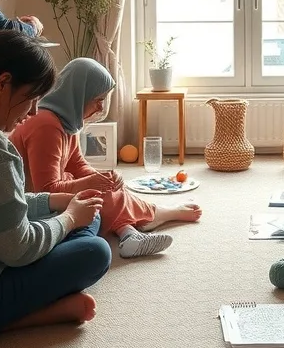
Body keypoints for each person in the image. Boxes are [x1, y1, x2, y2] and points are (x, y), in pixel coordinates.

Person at [0, 32, 111, 345]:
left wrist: (53, 201)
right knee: (94, 251)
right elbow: (17, 249)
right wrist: (67, 219)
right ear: (3, 83)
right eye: (32, 97)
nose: (34, 111)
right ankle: (28, 316)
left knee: (84, 211)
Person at [10, 58, 202, 260]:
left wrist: (105, 179)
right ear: (79, 95)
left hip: (54, 189)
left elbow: (78, 165)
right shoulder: (46, 126)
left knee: (108, 187)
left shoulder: (66, 121)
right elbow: (45, 191)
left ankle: (129, 233)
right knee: (96, 194)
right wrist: (93, 183)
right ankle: (155, 214)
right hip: (32, 202)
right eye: (98, 99)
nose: (101, 108)